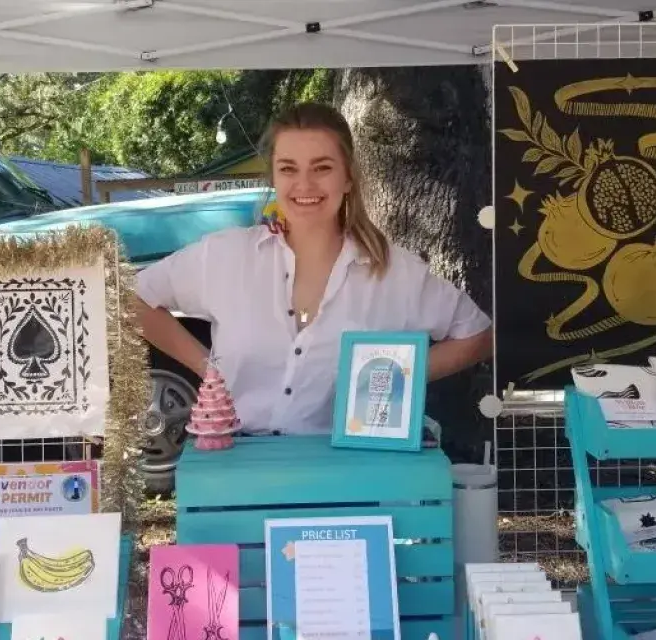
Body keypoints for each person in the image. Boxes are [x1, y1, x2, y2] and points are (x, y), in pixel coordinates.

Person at [134, 103, 493, 435]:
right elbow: (132, 298)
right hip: (237, 472)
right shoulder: (225, 255)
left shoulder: (395, 272)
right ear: (273, 178)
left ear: (348, 178)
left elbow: (478, 336)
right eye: (289, 169)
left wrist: (397, 374)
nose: (304, 185)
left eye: (322, 168)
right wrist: (207, 368)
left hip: (344, 477)